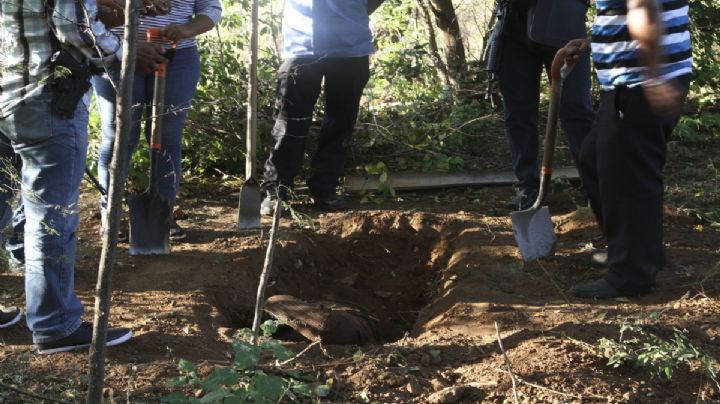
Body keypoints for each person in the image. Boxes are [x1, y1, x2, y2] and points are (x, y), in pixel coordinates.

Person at [0, 0, 167, 353]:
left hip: (6, 90)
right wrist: (127, 51)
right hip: (45, 98)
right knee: (51, 215)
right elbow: (72, 25)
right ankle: (55, 325)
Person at [562, 0, 691, 298]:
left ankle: (631, 273)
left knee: (628, 180)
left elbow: (643, 8)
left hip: (639, 83)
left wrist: (654, 73)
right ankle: (638, 252)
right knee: (594, 160)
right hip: (629, 83)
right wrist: (595, 42)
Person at [93, 0, 222, 240]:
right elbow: (87, 6)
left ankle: (162, 212)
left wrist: (187, 29)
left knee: (167, 136)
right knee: (119, 136)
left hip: (177, 57)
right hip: (116, 52)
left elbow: (211, 9)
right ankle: (110, 214)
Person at [260, 0, 386, 215]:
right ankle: (276, 191)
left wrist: (353, 10)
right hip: (301, 46)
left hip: (351, 47)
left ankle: (325, 188)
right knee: (290, 122)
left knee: (340, 123)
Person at [496, 1, 596, 210]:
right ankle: (528, 189)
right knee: (518, 114)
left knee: (576, 112)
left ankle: (596, 188)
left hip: (562, 21)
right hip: (512, 24)